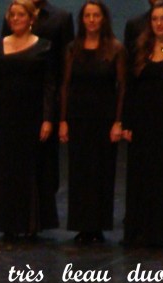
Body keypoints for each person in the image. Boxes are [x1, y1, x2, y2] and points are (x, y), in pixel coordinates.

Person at [0, 0, 57, 239]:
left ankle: (30, 224)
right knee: (6, 171)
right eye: (12, 15)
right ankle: (8, 224)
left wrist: (47, 118)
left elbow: (49, 85)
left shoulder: (44, 47)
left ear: (31, 19)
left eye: (21, 15)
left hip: (32, 118)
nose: (15, 19)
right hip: (5, 118)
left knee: (31, 170)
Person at [59, 1, 125, 244]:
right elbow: (65, 85)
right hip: (78, 119)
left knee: (102, 174)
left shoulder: (115, 48)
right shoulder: (72, 48)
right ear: (82, 19)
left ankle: (98, 226)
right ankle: (81, 226)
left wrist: (118, 121)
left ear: (103, 19)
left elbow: (122, 87)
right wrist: (63, 120)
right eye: (87, 15)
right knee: (79, 174)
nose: (92, 20)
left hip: (104, 120)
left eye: (96, 15)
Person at [122, 0, 163, 247]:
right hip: (144, 125)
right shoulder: (142, 49)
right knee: (144, 176)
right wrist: (127, 123)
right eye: (155, 19)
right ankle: (143, 230)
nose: (159, 23)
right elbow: (130, 89)